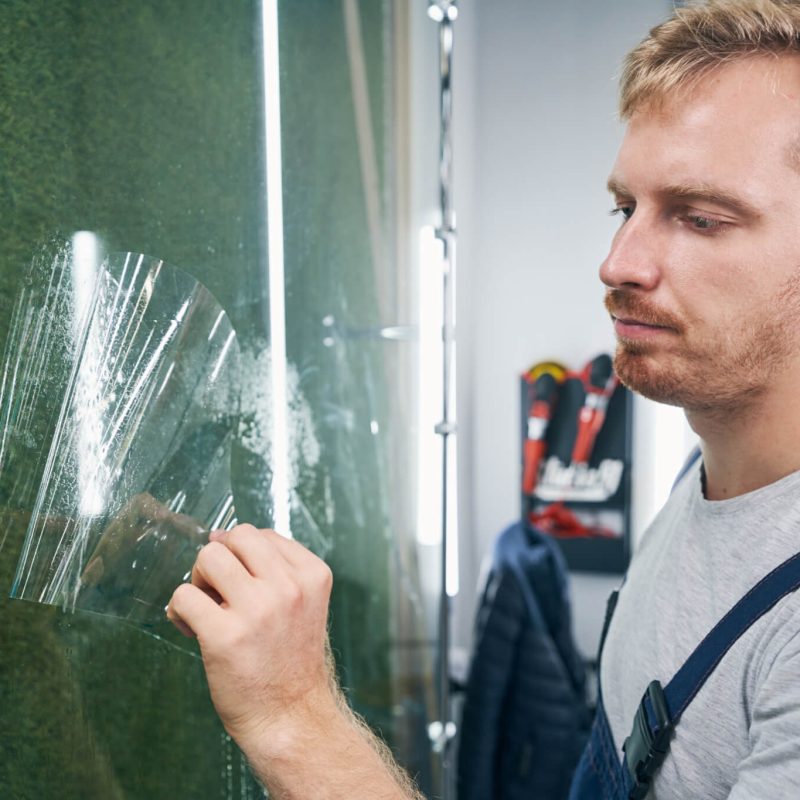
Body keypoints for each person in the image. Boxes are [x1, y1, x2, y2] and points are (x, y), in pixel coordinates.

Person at [168, 1, 800, 797]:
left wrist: (293, 716)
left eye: (701, 218)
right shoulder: (709, 479)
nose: (617, 262)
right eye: (624, 208)